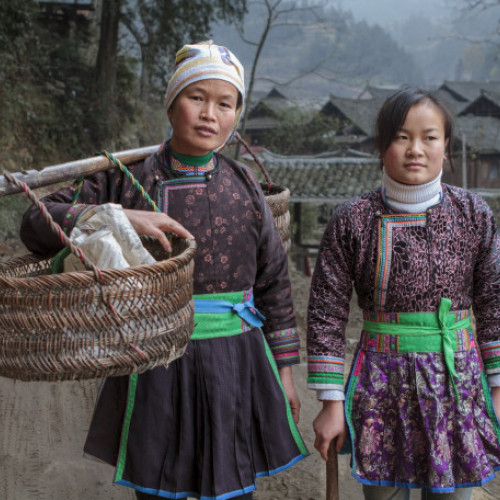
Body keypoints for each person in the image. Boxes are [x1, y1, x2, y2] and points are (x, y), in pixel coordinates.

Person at [20, 41, 307, 500]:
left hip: (234, 361)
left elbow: (273, 282)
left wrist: (286, 375)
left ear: (236, 117)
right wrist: (123, 216)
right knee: (159, 489)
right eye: (197, 97)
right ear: (172, 103)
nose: (209, 113)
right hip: (154, 360)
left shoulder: (245, 185)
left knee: (233, 486)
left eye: (225, 103)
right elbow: (36, 220)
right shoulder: (124, 178)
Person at [307, 87, 500, 500]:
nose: (416, 149)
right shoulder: (352, 220)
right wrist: (330, 402)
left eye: (429, 137)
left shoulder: (473, 215)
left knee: (451, 495)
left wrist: (498, 391)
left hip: (457, 382)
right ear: (381, 146)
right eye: (401, 136)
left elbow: (494, 300)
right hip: (381, 386)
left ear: (446, 146)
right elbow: (326, 311)